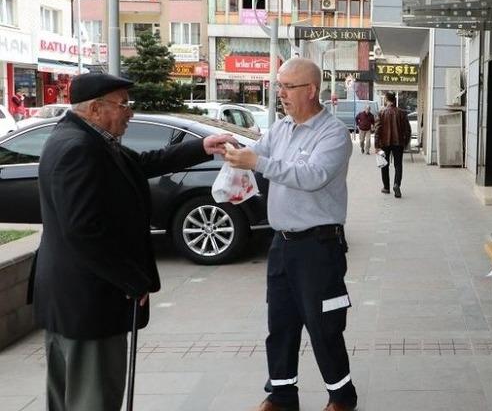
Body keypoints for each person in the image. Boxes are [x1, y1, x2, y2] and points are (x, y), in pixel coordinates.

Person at [30, 73, 233, 411]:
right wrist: (131, 279)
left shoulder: (85, 138)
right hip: (88, 301)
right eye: (123, 104)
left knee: (71, 397)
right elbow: (83, 230)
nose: (130, 113)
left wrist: (200, 146)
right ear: (96, 109)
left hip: (74, 299)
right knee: (92, 398)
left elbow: (138, 164)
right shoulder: (79, 149)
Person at [224, 57, 357, 411]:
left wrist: (258, 163)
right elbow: (259, 153)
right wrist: (234, 150)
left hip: (319, 246)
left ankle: (341, 397)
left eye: (287, 86)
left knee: (323, 325)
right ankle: (282, 395)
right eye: (278, 86)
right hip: (282, 244)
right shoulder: (281, 127)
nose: (279, 93)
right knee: (280, 323)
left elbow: (311, 175)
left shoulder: (333, 133)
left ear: (311, 90)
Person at [374, 92, 411, 198]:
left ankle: (386, 187)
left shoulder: (381, 112)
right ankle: (396, 184)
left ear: (386, 99)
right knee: (398, 165)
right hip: (398, 143)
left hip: (384, 143)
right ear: (394, 100)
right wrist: (406, 143)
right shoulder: (402, 113)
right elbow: (407, 130)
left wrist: (376, 146)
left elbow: (377, 130)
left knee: (384, 164)